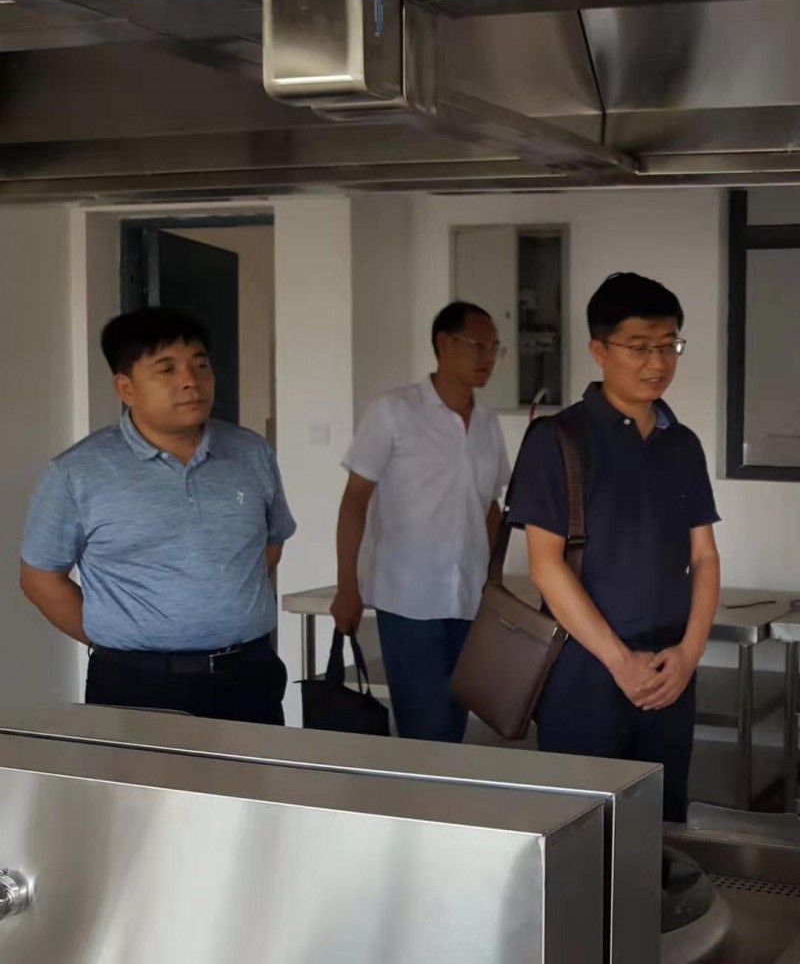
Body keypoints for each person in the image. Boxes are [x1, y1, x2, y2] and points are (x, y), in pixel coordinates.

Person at [508, 273, 720, 822]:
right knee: (580, 828)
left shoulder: (683, 444)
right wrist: (620, 662)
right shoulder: (558, 439)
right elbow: (545, 565)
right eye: (640, 347)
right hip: (583, 671)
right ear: (599, 350)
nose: (658, 362)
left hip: (669, 670)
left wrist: (689, 654)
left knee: (661, 825)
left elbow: (704, 557)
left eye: (669, 345)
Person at [20, 308, 295, 725]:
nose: (190, 381)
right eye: (167, 370)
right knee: (141, 772)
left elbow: (270, 544)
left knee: (254, 771)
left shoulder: (251, 452)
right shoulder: (78, 472)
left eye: (200, 365)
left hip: (248, 674)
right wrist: (118, 639)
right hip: (137, 683)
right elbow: (40, 579)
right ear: (126, 388)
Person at [331, 301, 511, 743]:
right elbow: (354, 502)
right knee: (425, 728)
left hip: (468, 598)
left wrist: (494, 581)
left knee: (454, 723)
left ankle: (445, 790)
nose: (488, 358)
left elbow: (489, 507)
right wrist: (347, 586)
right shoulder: (393, 411)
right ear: (444, 344)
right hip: (408, 600)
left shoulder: (488, 423)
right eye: (478, 345)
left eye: (494, 348)